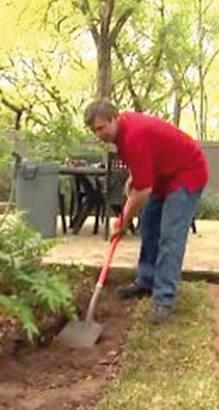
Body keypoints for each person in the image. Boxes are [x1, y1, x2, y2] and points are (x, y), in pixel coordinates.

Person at [84, 99, 209, 324]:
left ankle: (163, 300)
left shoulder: (133, 135)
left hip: (187, 172)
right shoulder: (123, 132)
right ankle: (147, 281)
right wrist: (135, 175)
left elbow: (142, 191)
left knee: (170, 236)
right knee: (149, 227)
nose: (98, 134)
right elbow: (147, 158)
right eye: (94, 130)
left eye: (101, 128)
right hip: (164, 175)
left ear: (115, 118)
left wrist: (123, 221)